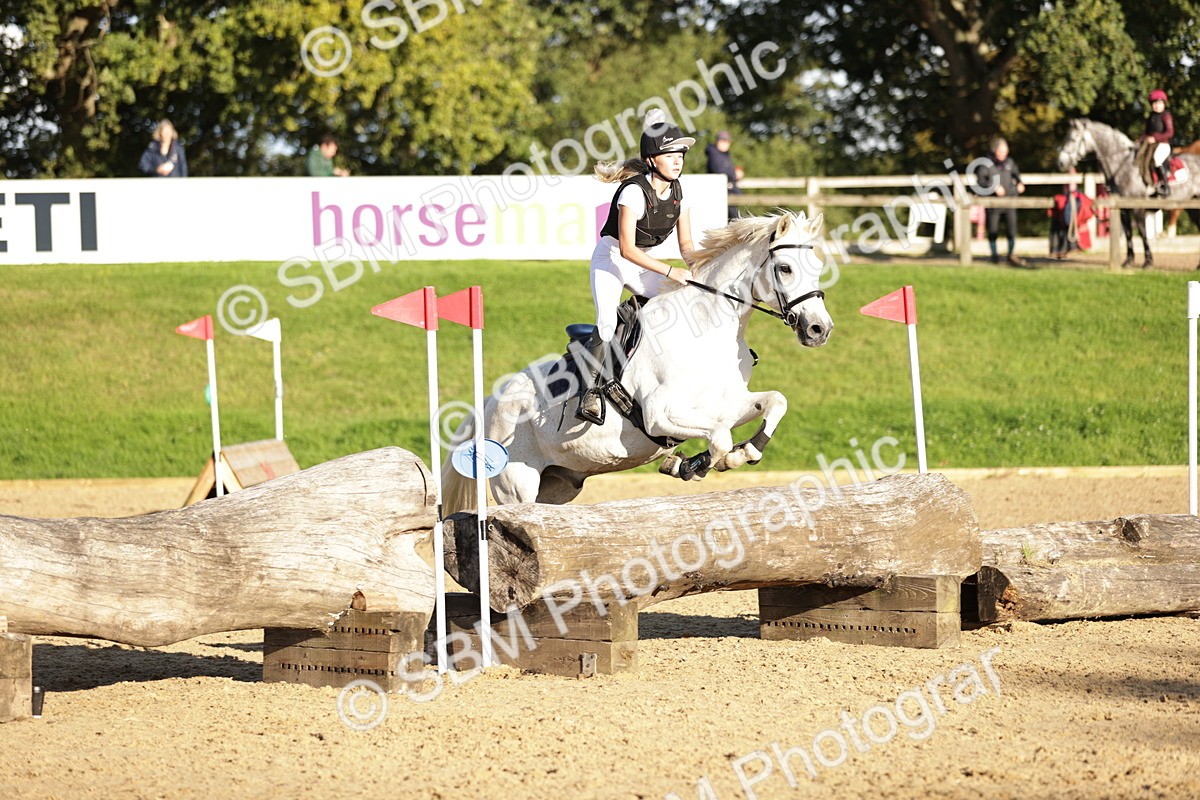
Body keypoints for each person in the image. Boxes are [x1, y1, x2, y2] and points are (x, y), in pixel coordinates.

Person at [575, 108, 696, 424]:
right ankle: (590, 392)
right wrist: (671, 272)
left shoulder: (679, 193)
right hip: (613, 257)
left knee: (681, 303)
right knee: (605, 321)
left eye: (681, 153)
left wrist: (700, 270)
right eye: (671, 154)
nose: (679, 160)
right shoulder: (633, 191)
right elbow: (627, 248)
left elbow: (686, 247)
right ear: (654, 159)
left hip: (642, 262)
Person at [976, 137, 1026, 266]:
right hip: (993, 203)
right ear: (994, 151)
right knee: (993, 229)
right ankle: (994, 256)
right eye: (1000, 152)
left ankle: (1011, 255)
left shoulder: (1010, 162)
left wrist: (1020, 183)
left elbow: (1016, 175)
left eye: (1005, 152)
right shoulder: (986, 164)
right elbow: (981, 181)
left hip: (1010, 201)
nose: (1003, 155)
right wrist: (994, 187)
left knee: (1012, 229)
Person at [1048, 170, 1094, 259]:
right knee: (1065, 220)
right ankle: (1062, 248)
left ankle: (1069, 247)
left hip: (1072, 198)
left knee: (1069, 219)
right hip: (1067, 198)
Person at [1140, 89, 1174, 197]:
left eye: (1159, 103)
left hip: (1163, 145)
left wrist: (1155, 138)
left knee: (1156, 159)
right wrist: (1139, 141)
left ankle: (1165, 186)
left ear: (1163, 103)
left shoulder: (1166, 116)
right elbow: (1146, 133)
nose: (1156, 105)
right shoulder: (1151, 117)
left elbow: (1170, 132)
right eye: (1154, 103)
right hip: (1152, 145)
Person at [705, 130, 742, 220]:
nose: (725, 143)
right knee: (734, 219)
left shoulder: (723, 154)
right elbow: (719, 170)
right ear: (717, 141)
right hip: (722, 191)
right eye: (723, 141)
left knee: (732, 218)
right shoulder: (715, 155)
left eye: (727, 141)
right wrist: (734, 174)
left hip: (727, 191)